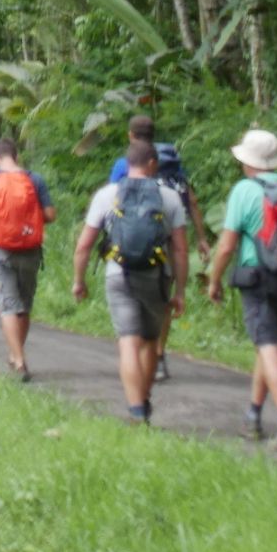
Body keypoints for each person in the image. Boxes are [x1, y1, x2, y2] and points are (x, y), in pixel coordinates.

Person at [205, 128, 277, 452]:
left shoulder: (244, 190)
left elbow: (226, 245)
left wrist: (214, 280)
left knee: (267, 344)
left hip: (256, 278)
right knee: (266, 342)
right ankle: (253, 416)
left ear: (248, 161)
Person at [71, 137, 189, 422]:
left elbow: (84, 245)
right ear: (153, 164)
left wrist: (79, 280)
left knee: (128, 342)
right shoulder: (169, 197)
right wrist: (180, 291)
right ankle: (143, 399)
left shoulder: (107, 195)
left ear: (127, 163)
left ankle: (135, 409)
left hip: (118, 274)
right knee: (149, 341)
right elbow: (180, 249)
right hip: (156, 277)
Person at [106, 114, 196, 379]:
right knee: (162, 302)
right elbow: (189, 197)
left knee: (127, 311)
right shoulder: (167, 159)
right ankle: (158, 354)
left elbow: (114, 202)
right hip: (163, 247)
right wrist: (201, 237)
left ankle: (134, 362)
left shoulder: (124, 163)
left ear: (130, 135)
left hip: (124, 252)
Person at [0, 138, 55, 381]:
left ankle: (19, 359)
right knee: (23, 306)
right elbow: (50, 214)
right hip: (30, 251)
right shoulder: (35, 179)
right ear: (16, 156)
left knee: (8, 307)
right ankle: (16, 355)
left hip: (1, 251)